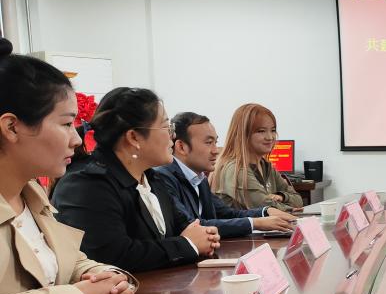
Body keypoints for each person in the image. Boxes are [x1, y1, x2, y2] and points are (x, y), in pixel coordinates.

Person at [0, 39, 136, 294]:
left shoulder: (31, 196)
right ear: (11, 127)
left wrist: (108, 278)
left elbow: (67, 262)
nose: (76, 139)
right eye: (66, 124)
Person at [52, 87, 220, 272]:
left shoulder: (152, 178)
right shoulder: (86, 185)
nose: (172, 135)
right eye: (166, 127)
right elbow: (113, 256)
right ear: (133, 137)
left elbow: (187, 226)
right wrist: (188, 245)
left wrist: (203, 236)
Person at [154, 112, 297, 239]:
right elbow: (192, 226)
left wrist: (265, 212)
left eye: (215, 142)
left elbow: (227, 214)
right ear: (181, 147)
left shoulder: (199, 179)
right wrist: (256, 223)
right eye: (208, 143)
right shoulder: (163, 178)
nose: (215, 150)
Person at [210, 104, 303, 212]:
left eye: (273, 130)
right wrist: (290, 208)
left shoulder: (266, 166)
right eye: (261, 131)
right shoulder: (235, 169)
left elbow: (298, 200)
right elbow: (265, 208)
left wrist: (282, 196)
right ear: (243, 134)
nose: (270, 137)